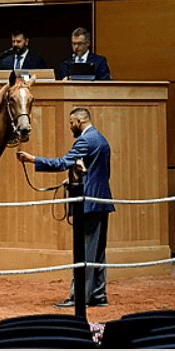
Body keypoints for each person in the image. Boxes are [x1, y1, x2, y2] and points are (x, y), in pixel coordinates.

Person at [17, 107, 114, 308]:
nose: (70, 127)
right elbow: (96, 172)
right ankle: (98, 294)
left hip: (87, 203)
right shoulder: (101, 139)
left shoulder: (85, 141)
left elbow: (62, 163)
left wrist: (32, 159)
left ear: (80, 121)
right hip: (101, 201)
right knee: (97, 252)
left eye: (72, 123)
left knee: (85, 252)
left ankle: (79, 296)